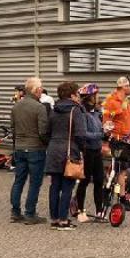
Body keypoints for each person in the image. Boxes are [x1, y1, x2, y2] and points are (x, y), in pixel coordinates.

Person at [45, 82, 86, 231]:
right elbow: (80, 134)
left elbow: (46, 132)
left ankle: (54, 219)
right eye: (78, 94)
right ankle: (63, 220)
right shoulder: (76, 110)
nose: (79, 97)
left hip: (53, 150)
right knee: (67, 186)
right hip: (70, 151)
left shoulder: (54, 110)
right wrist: (82, 149)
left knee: (54, 185)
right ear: (72, 95)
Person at [10, 77, 50, 225]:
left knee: (18, 180)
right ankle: (30, 213)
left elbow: (13, 129)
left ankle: (15, 212)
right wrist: (47, 144)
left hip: (19, 148)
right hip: (35, 149)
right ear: (35, 90)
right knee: (34, 182)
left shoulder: (16, 106)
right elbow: (43, 131)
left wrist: (18, 143)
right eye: (40, 88)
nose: (41, 91)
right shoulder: (39, 107)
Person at [73, 83, 108, 223]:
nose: (98, 97)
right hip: (86, 151)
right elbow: (84, 134)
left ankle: (99, 210)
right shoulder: (83, 113)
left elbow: (99, 131)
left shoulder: (97, 112)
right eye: (96, 95)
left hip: (97, 150)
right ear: (90, 97)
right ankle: (80, 210)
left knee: (99, 180)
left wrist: (105, 135)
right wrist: (100, 135)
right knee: (84, 181)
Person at [102, 76, 130, 208]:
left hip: (125, 140)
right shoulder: (112, 100)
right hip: (115, 140)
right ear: (124, 87)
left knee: (123, 170)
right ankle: (106, 192)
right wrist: (108, 138)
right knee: (114, 169)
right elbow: (106, 121)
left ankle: (122, 198)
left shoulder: (126, 101)